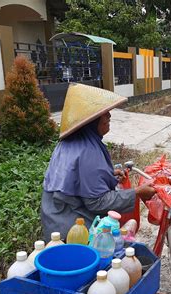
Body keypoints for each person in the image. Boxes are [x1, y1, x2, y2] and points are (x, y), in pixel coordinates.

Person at [41, 83, 155, 241]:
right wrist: (137, 193)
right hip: (73, 231)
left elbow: (77, 179)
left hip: (54, 221)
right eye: (104, 113)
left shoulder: (69, 143)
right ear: (91, 120)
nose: (109, 116)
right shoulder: (88, 150)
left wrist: (107, 175)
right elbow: (97, 202)